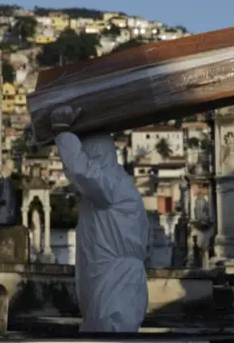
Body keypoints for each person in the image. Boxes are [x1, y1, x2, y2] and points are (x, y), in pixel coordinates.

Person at [50, 106, 150, 332]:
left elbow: (82, 171)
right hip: (117, 278)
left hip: (113, 281)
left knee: (108, 333)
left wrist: (62, 131)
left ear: (95, 154)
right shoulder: (121, 186)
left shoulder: (109, 184)